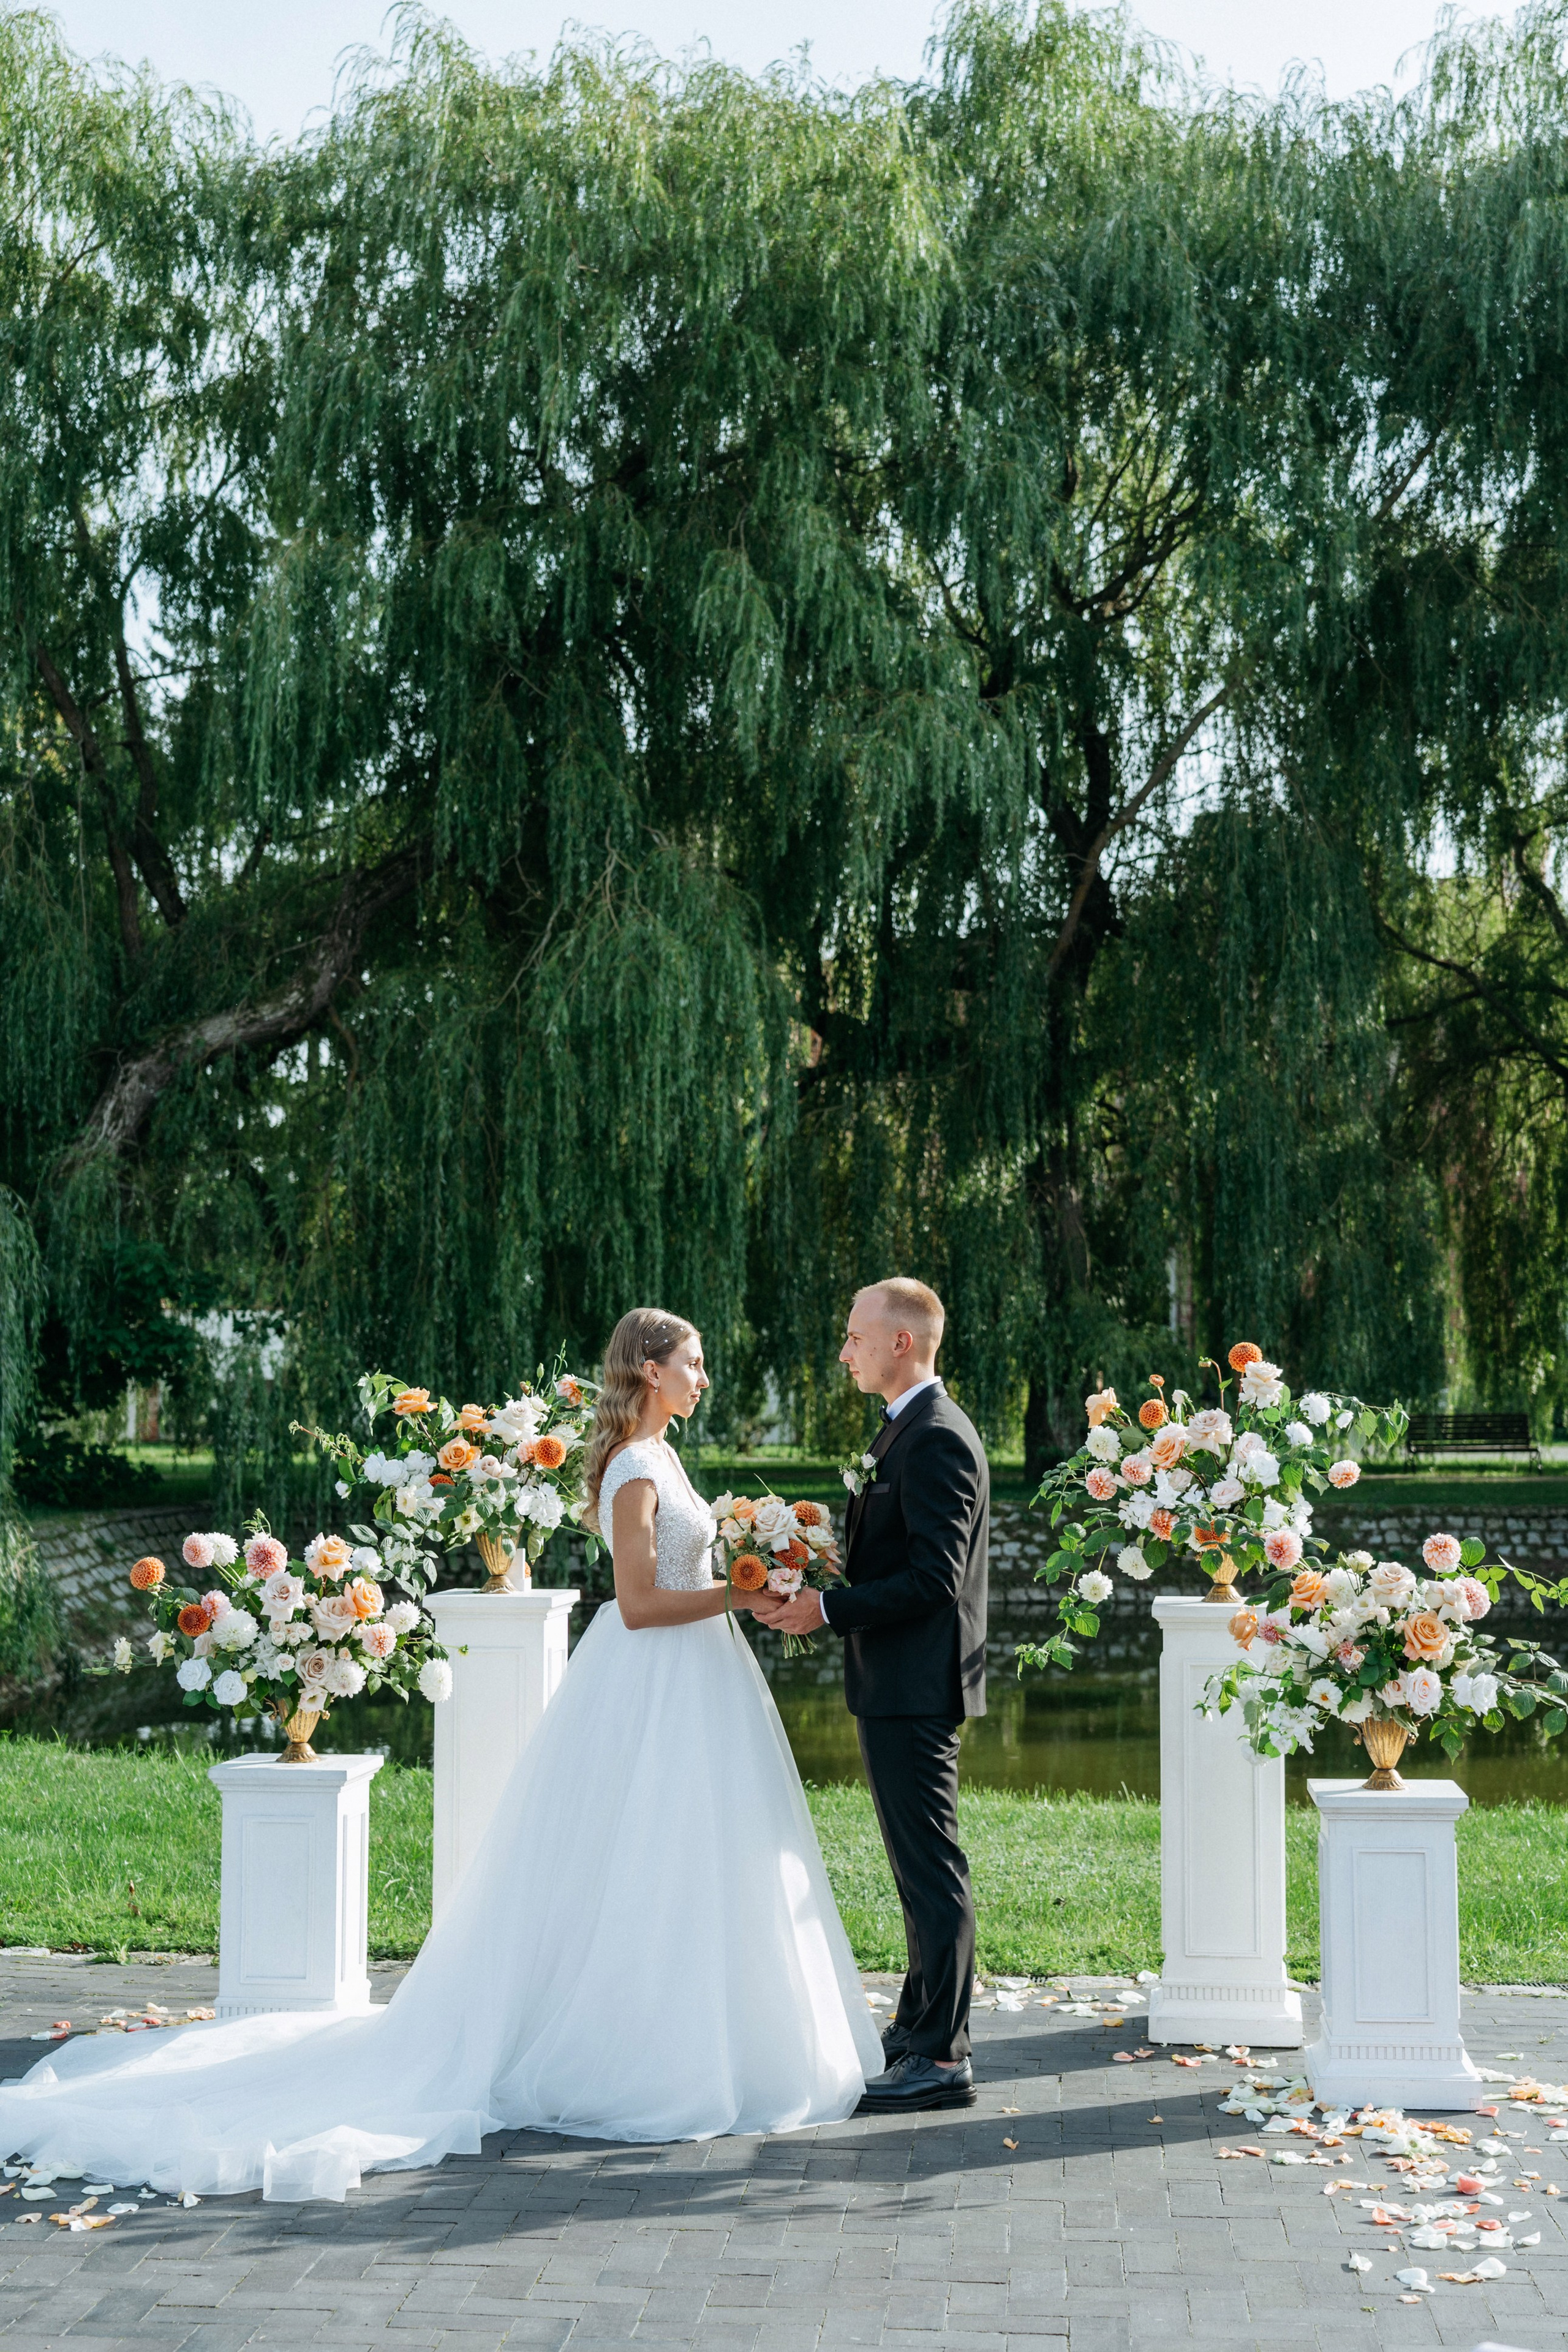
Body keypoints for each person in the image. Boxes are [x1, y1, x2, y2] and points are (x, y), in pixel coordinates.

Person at [0, 1310, 881, 2202]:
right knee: (643, 1851)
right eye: (693, 1363)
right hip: (654, 1675)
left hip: (694, 1683)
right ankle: (637, 2047)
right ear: (651, 1371)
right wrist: (741, 1592)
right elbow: (643, 1603)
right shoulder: (636, 1469)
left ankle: (704, 2029)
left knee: (690, 1856)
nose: (705, 1376)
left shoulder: (664, 1456)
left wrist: (755, 1568)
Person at [753, 1278, 988, 2113]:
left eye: (855, 1337)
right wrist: (810, 1571)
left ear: (901, 1343)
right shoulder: (902, 1433)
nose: (844, 1351)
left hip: (917, 1685)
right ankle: (919, 2023)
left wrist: (828, 1607)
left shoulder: (936, 1439)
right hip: (891, 1682)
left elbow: (936, 1579)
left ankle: (942, 2057)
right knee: (911, 1866)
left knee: (932, 1867)